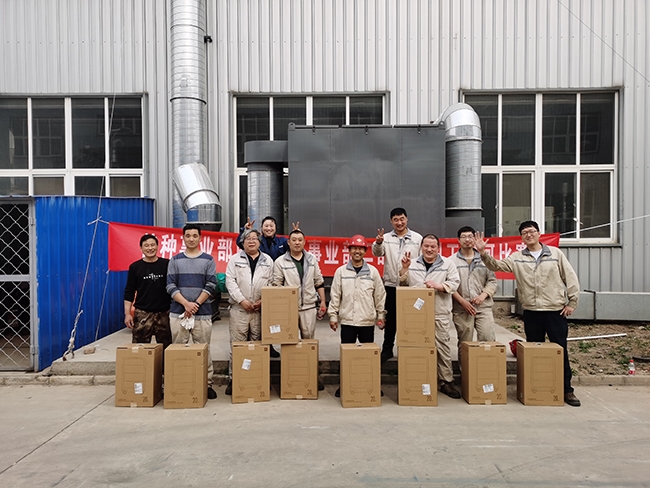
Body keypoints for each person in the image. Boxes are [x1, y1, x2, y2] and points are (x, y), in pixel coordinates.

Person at [474, 220, 581, 407]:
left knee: (561, 352)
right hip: (532, 313)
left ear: (539, 234)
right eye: (524, 233)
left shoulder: (555, 254)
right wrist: (483, 253)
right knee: (534, 354)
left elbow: (570, 277)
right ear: (521, 238)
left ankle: (567, 390)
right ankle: (538, 387)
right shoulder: (517, 258)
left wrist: (572, 302)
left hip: (555, 312)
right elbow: (496, 266)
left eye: (531, 231)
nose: (529, 235)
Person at [399, 234, 461, 399]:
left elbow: (455, 283)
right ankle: (420, 378)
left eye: (433, 246)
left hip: (439, 312)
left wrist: (439, 286)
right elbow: (403, 284)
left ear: (438, 248)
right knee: (417, 347)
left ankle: (446, 381)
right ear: (421, 247)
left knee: (442, 347)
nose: (429, 249)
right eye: (426, 246)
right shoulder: (412, 263)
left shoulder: (448, 264)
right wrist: (404, 269)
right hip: (416, 315)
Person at [328, 235, 386, 398]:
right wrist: (333, 316)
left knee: (368, 357)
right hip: (348, 321)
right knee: (347, 356)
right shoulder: (341, 272)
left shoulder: (373, 272)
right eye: (354, 248)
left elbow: (380, 295)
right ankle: (345, 385)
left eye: (360, 248)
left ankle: (370, 384)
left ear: (365, 251)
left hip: (367, 321)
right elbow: (335, 295)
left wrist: (381, 315)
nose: (357, 251)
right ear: (349, 250)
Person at [166, 224, 218, 400]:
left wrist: (195, 304)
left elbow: (211, 284)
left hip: (202, 313)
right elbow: (170, 285)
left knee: (204, 349)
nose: (191, 239)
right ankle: (181, 382)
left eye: (195, 236)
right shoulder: (175, 260)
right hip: (178, 313)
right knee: (178, 350)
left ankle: (207, 384)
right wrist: (186, 304)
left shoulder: (208, 260)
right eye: (188, 236)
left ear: (200, 238)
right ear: (183, 238)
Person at [273, 229, 327, 390]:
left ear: (304, 242)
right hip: (289, 309)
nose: (297, 242)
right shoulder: (280, 262)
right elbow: (276, 285)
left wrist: (323, 301)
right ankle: (289, 378)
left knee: (309, 343)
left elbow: (319, 281)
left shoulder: (312, 259)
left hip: (309, 306)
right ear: (288, 242)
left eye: (300, 240)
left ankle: (312, 377)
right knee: (288, 344)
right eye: (294, 240)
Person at [225, 228, 274, 395]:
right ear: (242, 242)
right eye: (248, 238)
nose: (251, 241)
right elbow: (230, 282)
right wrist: (242, 300)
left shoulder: (268, 260)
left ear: (260, 242)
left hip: (260, 310)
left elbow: (273, 282)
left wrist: (264, 300)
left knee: (259, 345)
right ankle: (234, 379)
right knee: (237, 345)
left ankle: (258, 377)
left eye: (254, 238)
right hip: (239, 309)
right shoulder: (234, 260)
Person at [372, 207, 422, 362]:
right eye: (396, 220)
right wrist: (378, 243)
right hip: (391, 285)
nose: (399, 223)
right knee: (391, 319)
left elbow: (422, 261)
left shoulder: (417, 238)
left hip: (411, 285)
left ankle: (410, 348)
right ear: (391, 221)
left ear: (407, 219)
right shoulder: (386, 238)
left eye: (402, 219)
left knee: (411, 319)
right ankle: (387, 349)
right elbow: (377, 253)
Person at [236, 215, 289, 357]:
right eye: (266, 226)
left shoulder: (282, 241)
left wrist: (296, 233)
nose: (269, 228)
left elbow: (294, 245)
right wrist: (245, 231)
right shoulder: (257, 240)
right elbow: (240, 242)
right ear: (261, 228)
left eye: (271, 226)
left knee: (271, 318)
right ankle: (256, 348)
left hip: (275, 283)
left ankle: (270, 345)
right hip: (258, 279)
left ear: (276, 228)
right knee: (257, 321)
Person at [449, 226, 497, 365]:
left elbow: (492, 281)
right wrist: (462, 301)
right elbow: (449, 285)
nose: (467, 240)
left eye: (470, 236)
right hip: (461, 308)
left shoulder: (484, 259)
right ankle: (466, 374)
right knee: (465, 343)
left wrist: (483, 295)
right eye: (464, 237)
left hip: (483, 307)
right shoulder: (451, 261)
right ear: (458, 240)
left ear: (475, 239)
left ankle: (485, 371)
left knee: (487, 339)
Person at [123, 234, 172, 351]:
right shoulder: (135, 267)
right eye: (146, 246)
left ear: (157, 246)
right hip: (143, 313)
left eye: (152, 245)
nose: (150, 248)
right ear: (141, 248)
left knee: (167, 348)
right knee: (139, 349)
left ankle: (164, 364)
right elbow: (129, 291)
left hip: (164, 313)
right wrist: (127, 313)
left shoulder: (167, 264)